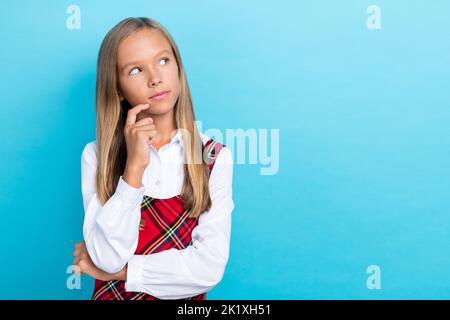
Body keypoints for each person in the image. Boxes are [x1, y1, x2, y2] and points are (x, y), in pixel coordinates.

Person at [71, 17, 234, 300]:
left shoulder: (214, 159)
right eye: (136, 69)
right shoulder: (97, 156)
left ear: (178, 67)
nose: (155, 77)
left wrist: (123, 273)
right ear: (118, 89)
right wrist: (134, 169)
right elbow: (107, 258)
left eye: (163, 61)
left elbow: (208, 269)